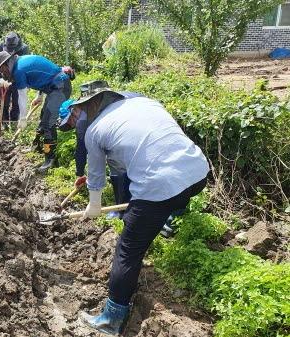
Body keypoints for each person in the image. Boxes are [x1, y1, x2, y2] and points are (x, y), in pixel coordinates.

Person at [62, 85, 209, 335]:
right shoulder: (147, 104)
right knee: (166, 199)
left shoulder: (95, 131)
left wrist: (94, 206)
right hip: (198, 173)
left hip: (161, 184)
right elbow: (129, 165)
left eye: (80, 111)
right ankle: (169, 218)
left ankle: (112, 318)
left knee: (127, 250)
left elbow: (95, 179)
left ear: (89, 106)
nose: (79, 119)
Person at [59, 81, 133, 220]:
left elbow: (83, 151)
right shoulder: (125, 100)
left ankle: (123, 211)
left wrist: (80, 173)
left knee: (117, 164)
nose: (72, 125)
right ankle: (124, 207)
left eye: (70, 122)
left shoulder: (82, 122)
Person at [0, 50, 72, 173]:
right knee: (43, 118)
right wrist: (39, 96)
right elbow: (41, 75)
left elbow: (22, 97)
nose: (3, 73)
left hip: (61, 86)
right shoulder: (20, 63)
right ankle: (37, 147)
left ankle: (50, 159)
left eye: (2, 70)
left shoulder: (18, 70)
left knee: (48, 123)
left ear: (6, 64)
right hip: (53, 86)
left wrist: (23, 117)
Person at [0, 32, 30, 128]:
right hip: (4, 78)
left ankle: (14, 123)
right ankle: (4, 124)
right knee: (4, 102)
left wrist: (23, 81)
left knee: (16, 102)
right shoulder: (1, 46)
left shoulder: (24, 48)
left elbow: (24, 66)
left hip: (17, 79)